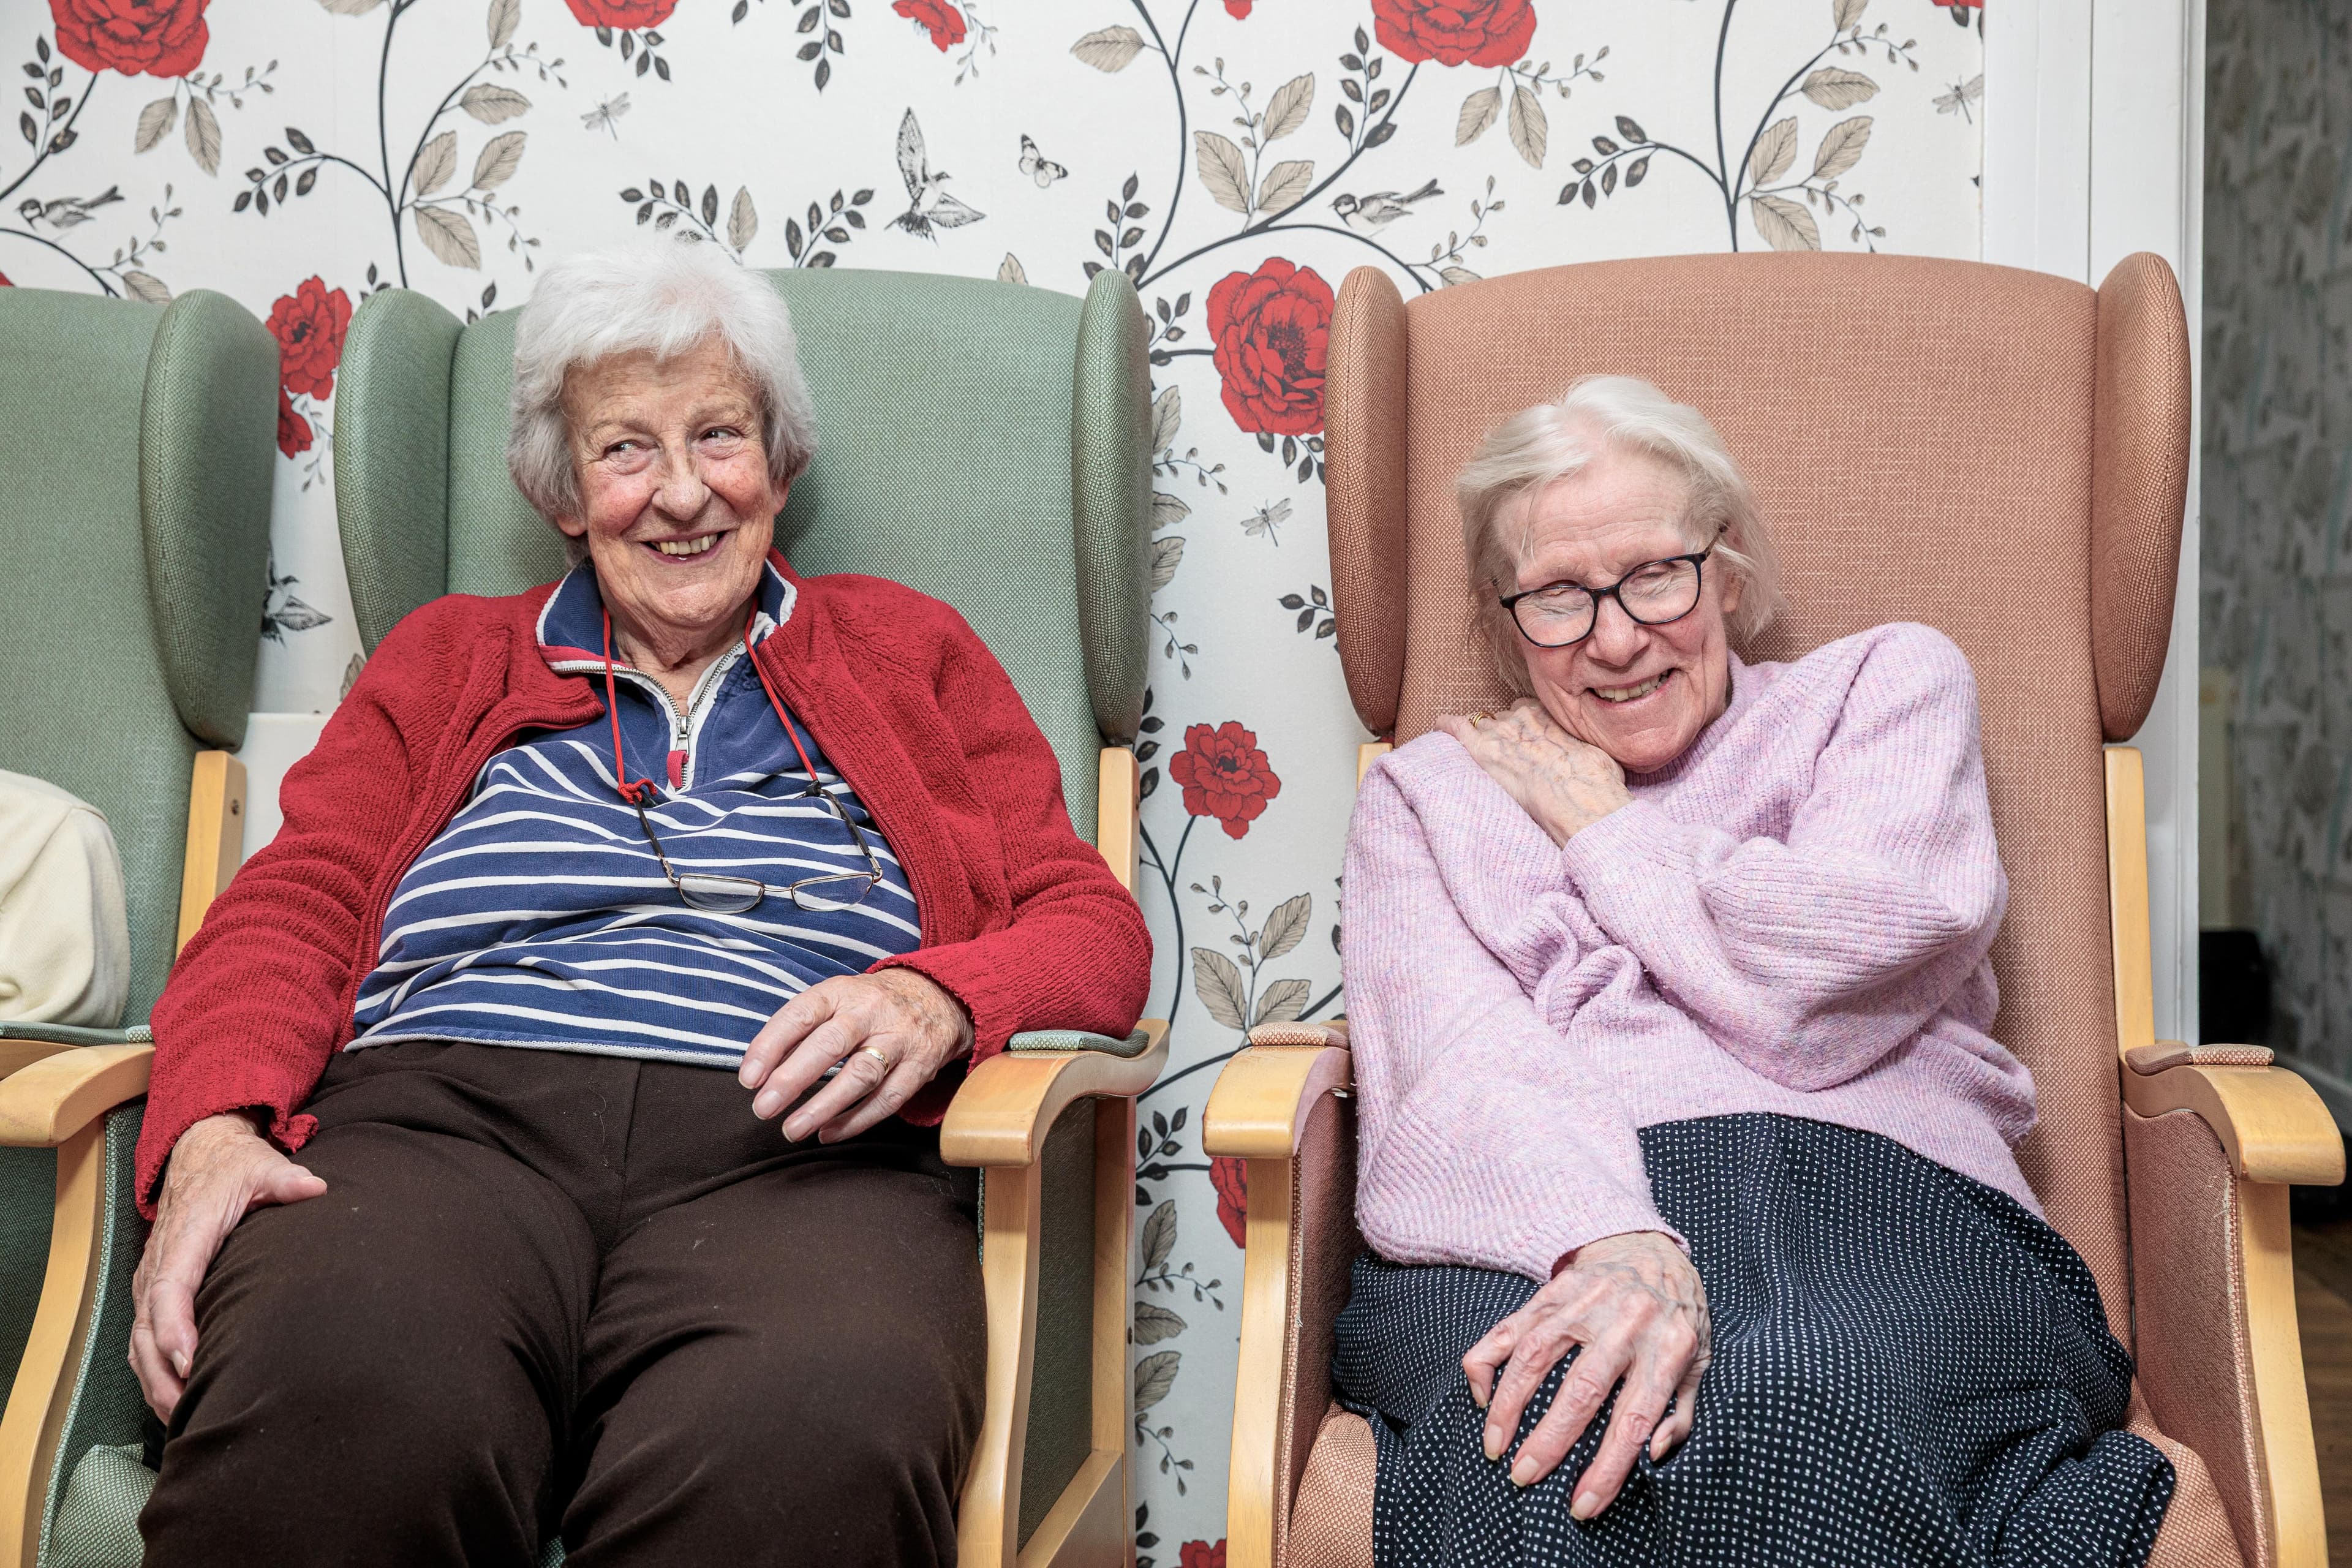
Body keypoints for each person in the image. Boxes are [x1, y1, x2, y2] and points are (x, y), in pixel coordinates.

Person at [127, 242, 1151, 1567]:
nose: (680, 493)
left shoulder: (911, 652)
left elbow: (1091, 927)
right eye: (624, 450)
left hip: (804, 1154)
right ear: (564, 492)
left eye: (719, 435)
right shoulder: (447, 660)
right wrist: (211, 1121)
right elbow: (290, 907)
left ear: (780, 464)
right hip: (439, 1128)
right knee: (339, 1394)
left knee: (807, 1440)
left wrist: (941, 994)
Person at [1333, 375, 2174, 1566]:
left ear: (1725, 568)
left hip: (1886, 1197)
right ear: (1504, 617)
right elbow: (1454, 1061)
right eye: (1561, 597)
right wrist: (1604, 1234)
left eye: (1657, 575)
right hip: (1536, 1211)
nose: (1617, 637)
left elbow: (1823, 977)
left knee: (1796, 1400)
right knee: (1550, 1437)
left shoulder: (1885, 690)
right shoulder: (1433, 793)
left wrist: (1604, 834)